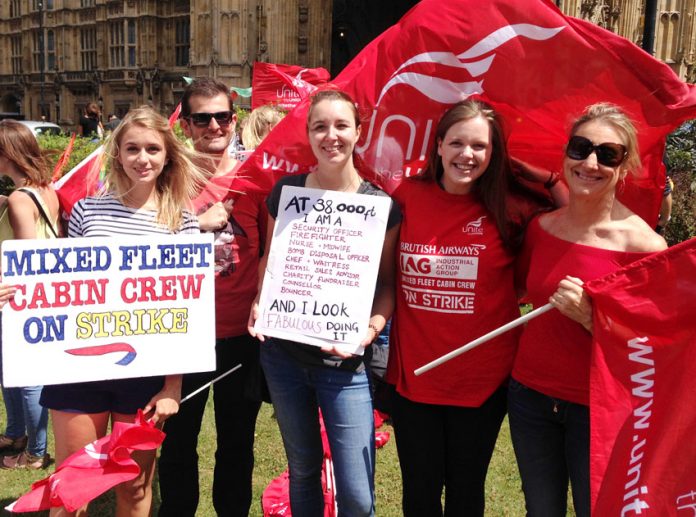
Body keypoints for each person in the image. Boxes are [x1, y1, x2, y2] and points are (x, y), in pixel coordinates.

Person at [385, 99, 554, 517]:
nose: (467, 155)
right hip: (414, 377)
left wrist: (538, 174)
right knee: (419, 494)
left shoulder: (511, 208)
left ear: (494, 153)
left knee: (465, 492)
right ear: (438, 146)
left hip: (482, 381)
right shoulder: (406, 196)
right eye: (457, 143)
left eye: (481, 146)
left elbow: (574, 217)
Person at [38, 106, 205, 516]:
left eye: (152, 149)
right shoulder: (86, 212)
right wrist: (20, 293)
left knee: (133, 487)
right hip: (81, 369)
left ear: (167, 156)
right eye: (132, 148)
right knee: (72, 489)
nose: (142, 158)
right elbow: (63, 289)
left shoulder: (182, 221)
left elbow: (186, 311)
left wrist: (172, 386)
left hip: (144, 375)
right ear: (117, 154)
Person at [508, 103, 667, 516]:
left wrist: (590, 318)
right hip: (530, 397)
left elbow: (655, 349)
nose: (590, 162)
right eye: (580, 148)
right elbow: (518, 290)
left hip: (598, 408)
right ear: (566, 154)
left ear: (625, 165)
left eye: (607, 154)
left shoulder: (644, 248)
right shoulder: (542, 229)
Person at [248, 88, 401, 517]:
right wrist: (261, 302)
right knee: (303, 469)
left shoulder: (379, 206)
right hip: (284, 357)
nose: (330, 136)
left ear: (358, 132)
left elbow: (388, 285)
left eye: (340, 126)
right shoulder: (287, 192)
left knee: (357, 491)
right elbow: (272, 261)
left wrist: (367, 332)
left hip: (346, 363)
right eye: (320, 126)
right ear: (308, 134)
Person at [158, 78, 265, 517]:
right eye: (201, 118)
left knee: (237, 440)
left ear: (233, 119)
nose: (213, 126)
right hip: (182, 335)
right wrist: (197, 223)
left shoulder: (258, 177)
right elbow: (144, 249)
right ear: (186, 124)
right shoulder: (165, 180)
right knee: (178, 440)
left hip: (241, 334)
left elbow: (274, 251)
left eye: (222, 116)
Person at [0, 119, 60, 470]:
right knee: (13, 371)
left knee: (26, 376)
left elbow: (26, 258)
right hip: (38, 295)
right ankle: (17, 433)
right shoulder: (43, 189)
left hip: (18, 296)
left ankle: (36, 452)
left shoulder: (22, 199)